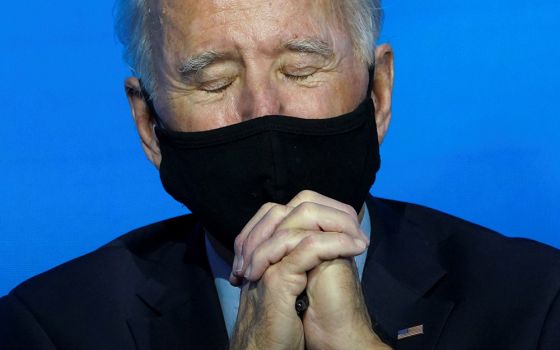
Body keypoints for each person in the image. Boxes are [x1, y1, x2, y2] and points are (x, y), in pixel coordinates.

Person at [1, 1, 559, 349]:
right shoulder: (50, 328)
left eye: (301, 68)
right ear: (149, 125)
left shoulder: (535, 301)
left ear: (378, 92)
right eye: (214, 81)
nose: (263, 109)